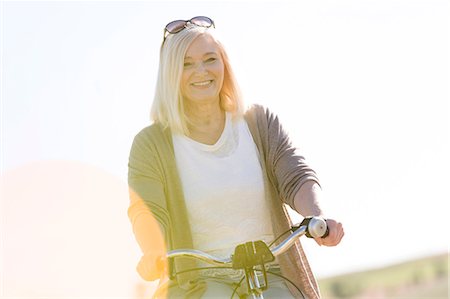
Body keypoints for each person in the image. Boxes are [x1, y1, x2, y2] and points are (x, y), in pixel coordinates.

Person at [127, 16, 344, 298]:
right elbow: (146, 210)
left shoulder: (258, 122)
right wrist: (153, 251)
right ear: (170, 74)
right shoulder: (151, 144)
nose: (201, 71)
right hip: (200, 280)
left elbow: (296, 175)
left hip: (272, 270)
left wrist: (316, 216)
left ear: (224, 64)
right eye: (186, 64)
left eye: (210, 59)